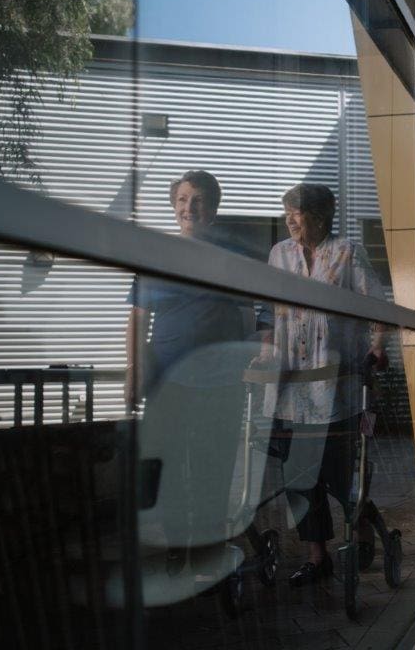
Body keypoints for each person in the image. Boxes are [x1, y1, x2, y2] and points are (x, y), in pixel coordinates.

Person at [257, 183, 386, 587]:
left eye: (297, 212)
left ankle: (363, 521)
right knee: (300, 475)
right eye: (287, 213)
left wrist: (378, 347)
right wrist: (265, 352)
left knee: (339, 474)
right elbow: (266, 311)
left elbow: (376, 303)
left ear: (319, 215)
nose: (291, 220)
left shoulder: (346, 252)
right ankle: (318, 557)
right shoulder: (279, 255)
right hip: (293, 387)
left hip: (338, 385)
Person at [124, 169, 253, 574]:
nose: (188, 208)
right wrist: (133, 374)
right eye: (182, 200)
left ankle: (209, 547)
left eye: (197, 201)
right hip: (169, 382)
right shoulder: (157, 256)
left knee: (213, 465)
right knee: (170, 465)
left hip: (220, 384)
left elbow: (248, 316)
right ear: (173, 206)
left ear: (212, 210)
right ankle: (180, 545)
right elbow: (136, 319)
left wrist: (245, 362)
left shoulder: (229, 260)